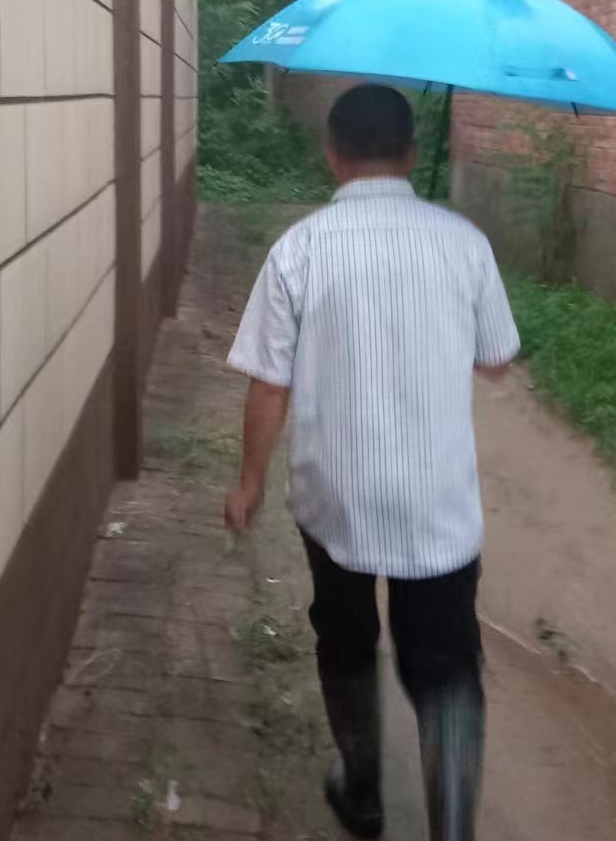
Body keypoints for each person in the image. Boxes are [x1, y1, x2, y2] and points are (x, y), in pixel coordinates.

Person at [223, 83, 520, 841]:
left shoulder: (300, 249)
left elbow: (269, 383)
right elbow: (496, 360)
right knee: (446, 666)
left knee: (346, 642)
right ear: (413, 156)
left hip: (335, 499)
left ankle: (362, 796)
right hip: (437, 505)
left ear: (331, 154)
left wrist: (250, 481)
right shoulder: (465, 244)